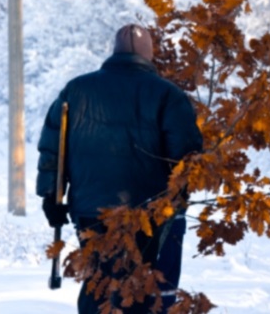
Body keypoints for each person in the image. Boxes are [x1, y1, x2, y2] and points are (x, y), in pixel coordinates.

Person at [37, 24, 202, 313]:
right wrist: (178, 202)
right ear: (149, 54)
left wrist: (51, 197)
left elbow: (53, 146)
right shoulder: (168, 95)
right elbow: (186, 159)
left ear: (114, 51)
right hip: (148, 212)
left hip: (89, 210)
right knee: (139, 286)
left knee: (98, 281)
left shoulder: (76, 89)